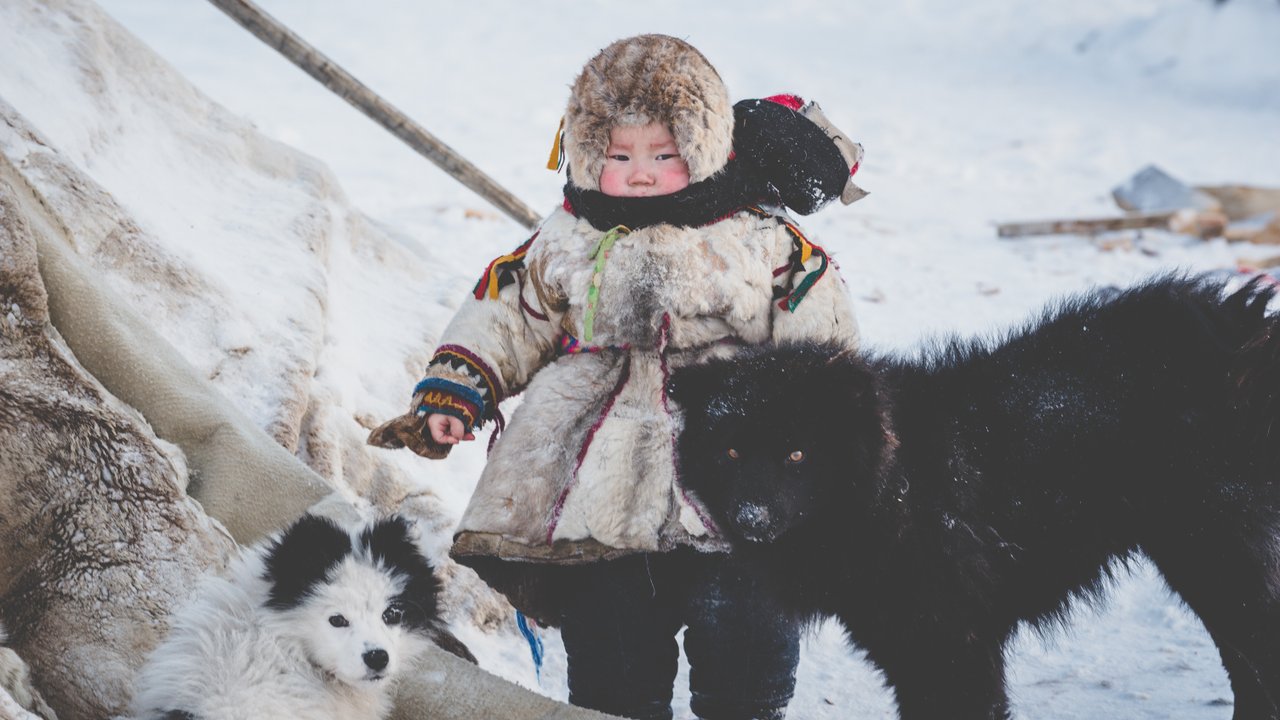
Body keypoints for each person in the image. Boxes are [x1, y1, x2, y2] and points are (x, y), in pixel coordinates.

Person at [370, 33, 866, 720]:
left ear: (705, 149)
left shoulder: (764, 239)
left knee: (748, 631)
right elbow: (513, 308)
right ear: (582, 150)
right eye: (618, 155)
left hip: (735, 479)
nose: (638, 173)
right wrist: (462, 384)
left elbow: (823, 339)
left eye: (663, 156)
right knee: (612, 649)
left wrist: (825, 429)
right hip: (596, 488)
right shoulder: (569, 235)